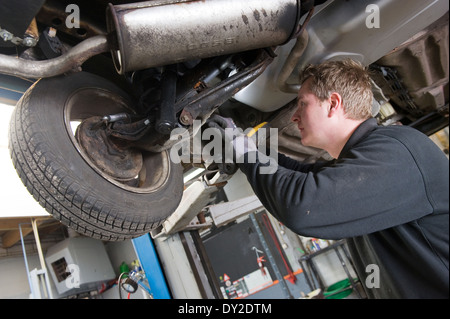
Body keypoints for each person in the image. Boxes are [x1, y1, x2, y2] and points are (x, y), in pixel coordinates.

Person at [208, 59, 449, 298]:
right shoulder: (372, 154)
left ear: (333, 104)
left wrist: (242, 149)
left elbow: (304, 206)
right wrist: (246, 146)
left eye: (303, 104)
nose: (294, 117)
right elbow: (309, 176)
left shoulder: (401, 150)